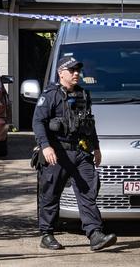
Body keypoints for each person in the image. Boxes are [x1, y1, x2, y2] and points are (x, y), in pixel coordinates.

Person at [32, 56, 117, 251]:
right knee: (50, 194)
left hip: (80, 152)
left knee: (88, 192)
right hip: (57, 152)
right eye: (72, 70)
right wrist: (45, 146)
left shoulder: (83, 95)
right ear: (61, 73)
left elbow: (89, 123)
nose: (76, 73)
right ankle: (47, 234)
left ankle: (95, 234)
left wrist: (96, 147)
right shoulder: (50, 95)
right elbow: (38, 122)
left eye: (78, 69)